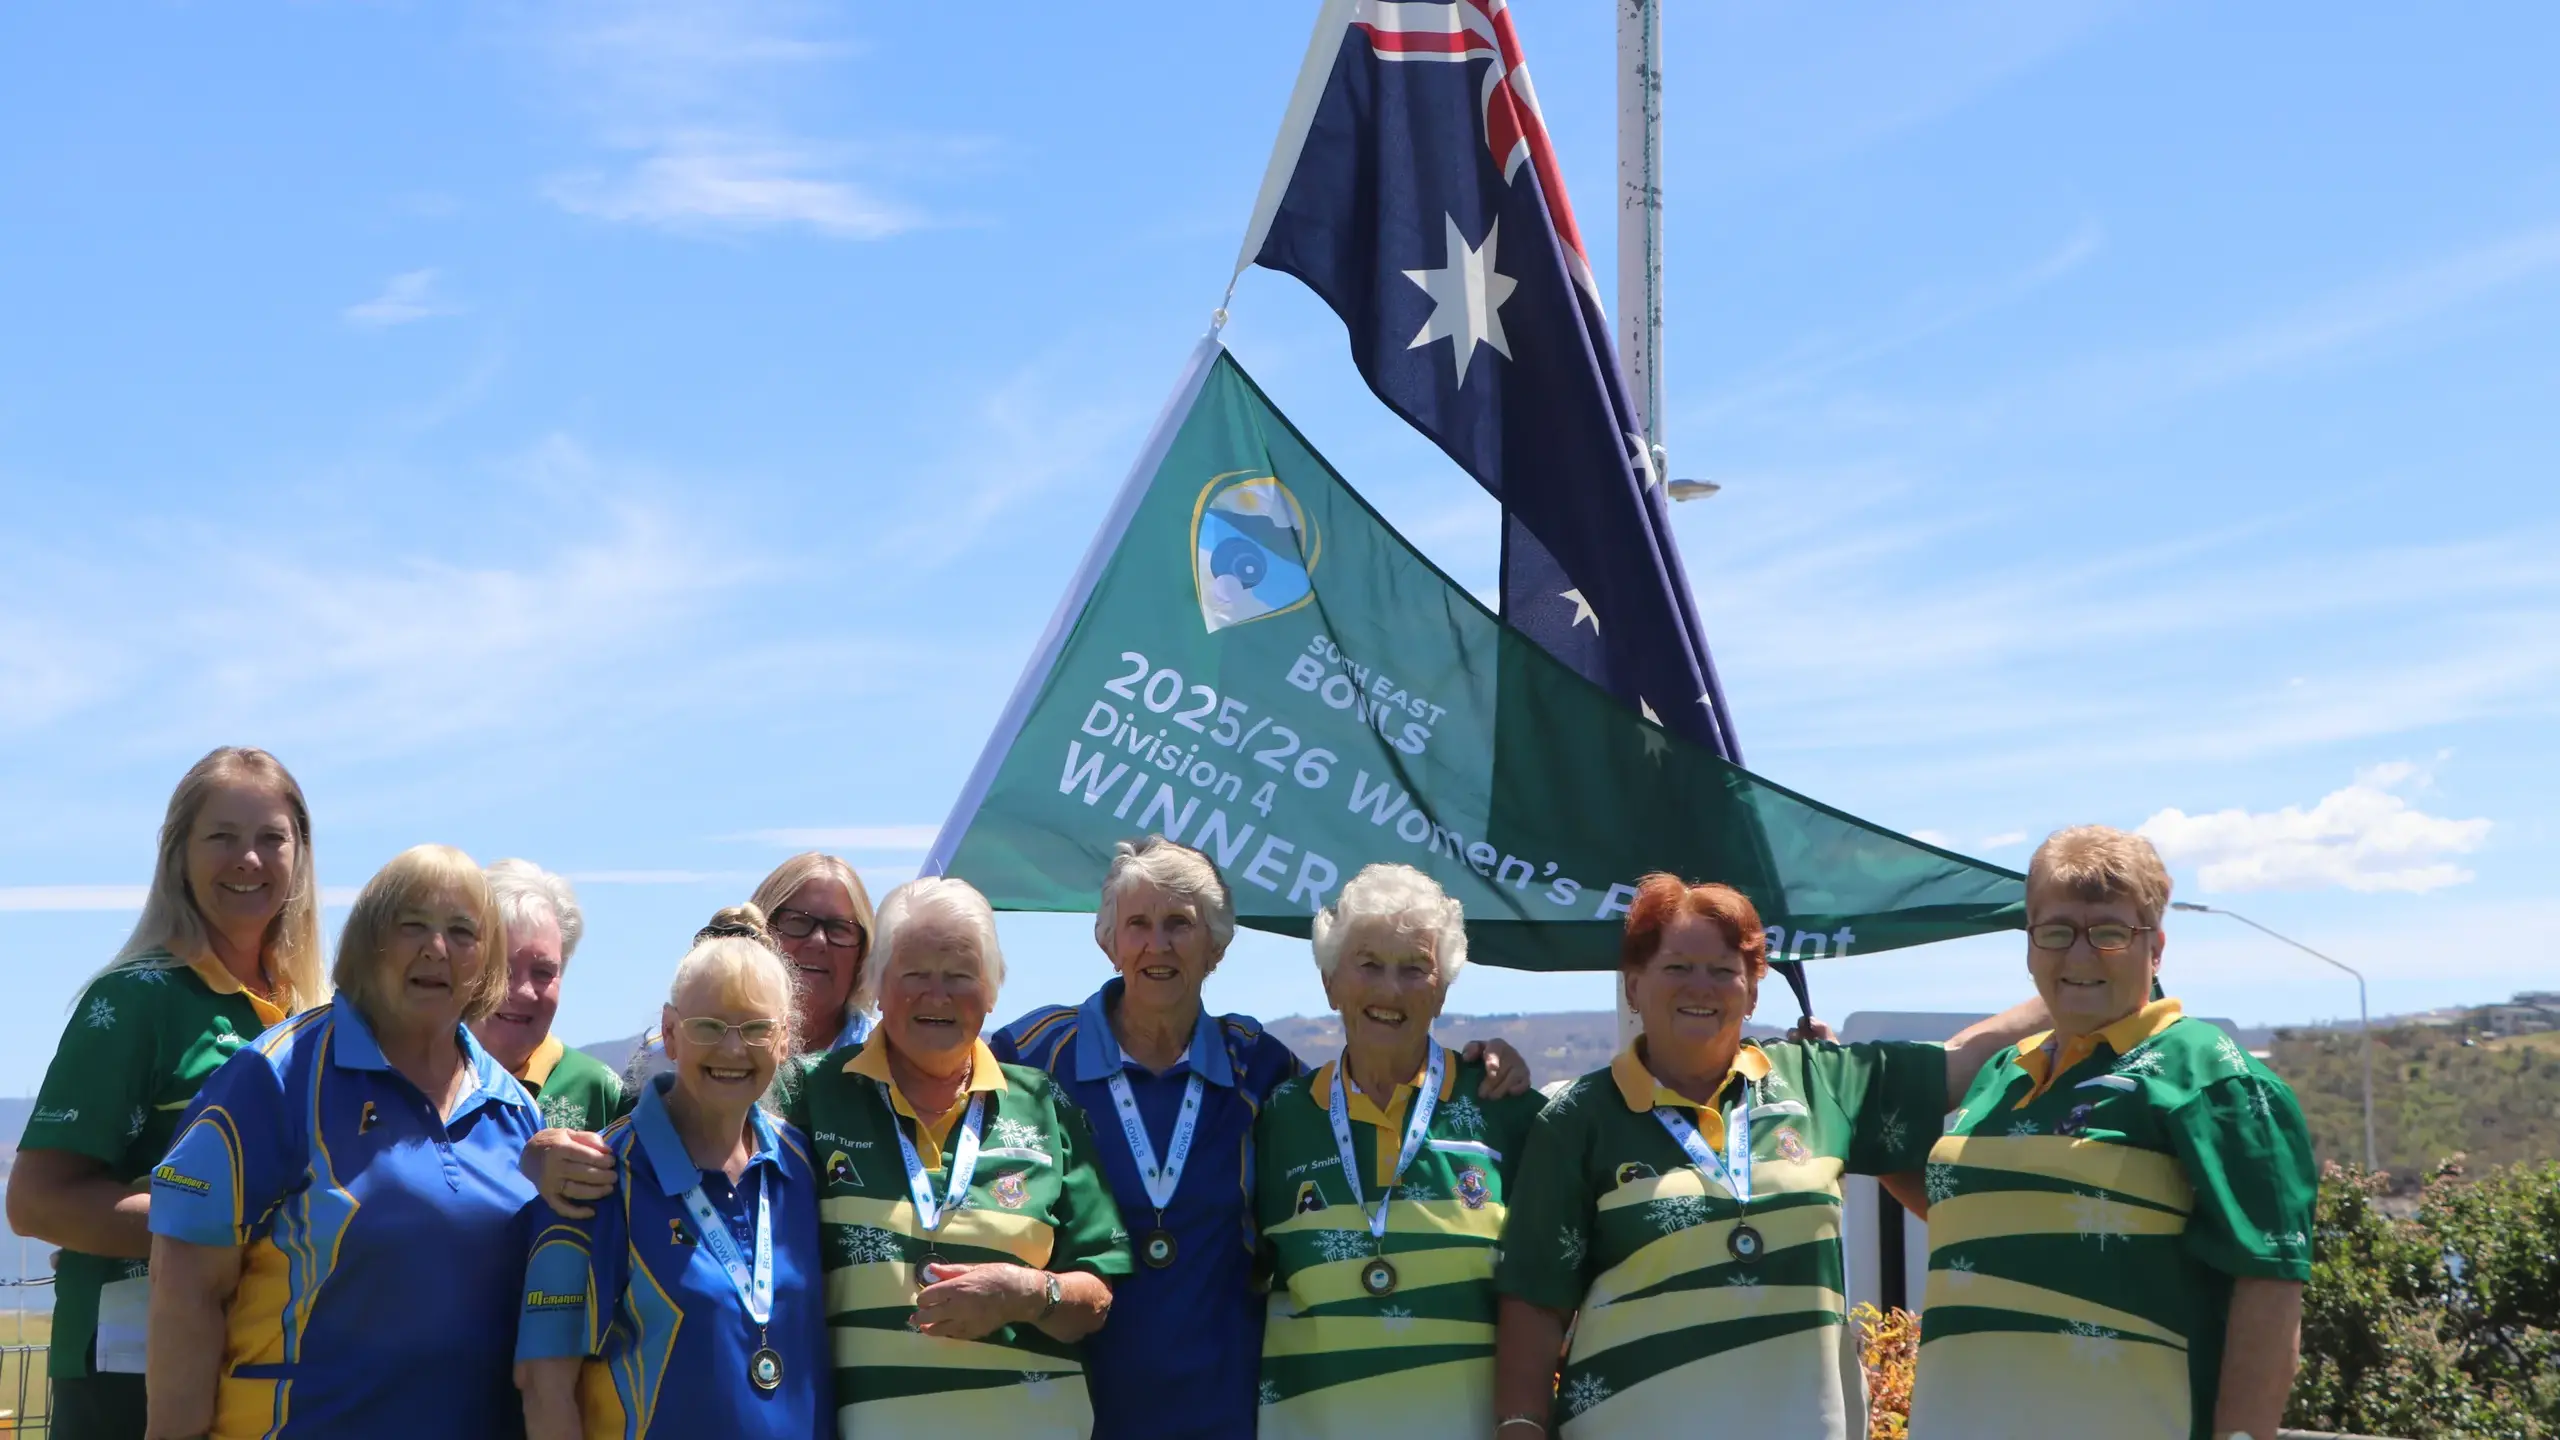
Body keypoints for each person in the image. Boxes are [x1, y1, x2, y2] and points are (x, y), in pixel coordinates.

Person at [989, 837, 1537, 1440]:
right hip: (1071, 1407)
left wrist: (1490, 1060)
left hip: (1225, 1408)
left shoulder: (1258, 1067)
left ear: (1217, 948)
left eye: (1180, 924)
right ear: (1108, 940)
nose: (1158, 944)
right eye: (1139, 924)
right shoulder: (1033, 1053)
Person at [1492, 875, 2044, 1440]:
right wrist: (1520, 1426)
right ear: (1634, 985)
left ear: (1753, 989)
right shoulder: (1576, 1119)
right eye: (1677, 967)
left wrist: (2092, 982)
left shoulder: (1818, 1079)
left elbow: (1965, 1056)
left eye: (1724, 970)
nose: (1700, 987)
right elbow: (1535, 1301)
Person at [1903, 827, 2315, 1440]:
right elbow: (1989, 1222)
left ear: (2157, 947)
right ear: (2030, 943)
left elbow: (2269, 1284)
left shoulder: (2211, 1076)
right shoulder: (2000, 1073)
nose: (2078, 956)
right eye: (2056, 931)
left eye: (2110, 932)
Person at [144, 844, 544, 1440]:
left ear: (486, 962)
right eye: (412, 925)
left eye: (463, 931)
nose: (436, 947)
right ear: (369, 941)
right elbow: (186, 1286)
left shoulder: (515, 1110)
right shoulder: (274, 1078)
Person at [7, 747, 326, 1440]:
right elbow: (35, 1201)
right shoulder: (132, 1000)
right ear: (178, 853)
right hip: (129, 1369)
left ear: (300, 856)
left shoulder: (313, 1015)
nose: (248, 860)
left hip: (267, 1358)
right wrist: (217, 1230)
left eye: (271, 838)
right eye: (222, 837)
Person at [788, 876, 1128, 1438]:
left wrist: (1026, 1295)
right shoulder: (815, 1094)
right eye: (915, 974)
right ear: (875, 985)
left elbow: (1098, 1296)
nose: (937, 995)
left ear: (992, 990)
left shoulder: (1045, 1103)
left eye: (961, 976)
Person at [516, 906, 831, 1440]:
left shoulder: (801, 1165)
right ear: (670, 1032)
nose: (733, 1049)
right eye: (709, 1026)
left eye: (756, 1029)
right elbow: (545, 1386)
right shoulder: (597, 1174)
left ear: (784, 1040)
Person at [1251, 864, 1543, 1440]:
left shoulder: (1505, 1109)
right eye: (1368, 965)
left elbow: (1553, 1289)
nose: (1390, 990)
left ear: (1442, 990)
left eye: (1415, 968)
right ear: (1331, 982)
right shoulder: (1277, 1117)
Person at [619, 853, 880, 1095]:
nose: (818, 941)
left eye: (839, 929)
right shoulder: (666, 1054)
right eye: (798, 922)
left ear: (863, 951)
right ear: (760, 928)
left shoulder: (887, 1060)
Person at [474, 859, 624, 1131]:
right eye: (502, 970)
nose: (523, 991)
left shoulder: (599, 1091)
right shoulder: (415, 1079)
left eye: (543, 972)